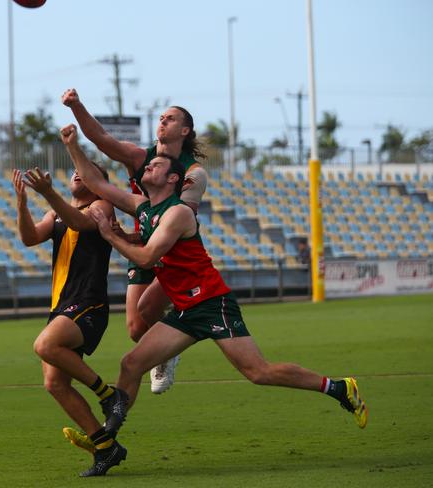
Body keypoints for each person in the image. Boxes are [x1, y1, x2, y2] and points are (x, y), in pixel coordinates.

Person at [59, 123, 368, 440]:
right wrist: (72, 145)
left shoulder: (177, 213)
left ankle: (339, 388)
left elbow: (147, 258)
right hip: (185, 310)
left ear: (172, 178)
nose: (148, 164)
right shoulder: (144, 207)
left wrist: (111, 235)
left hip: (211, 303)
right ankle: (107, 440)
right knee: (131, 364)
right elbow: (96, 182)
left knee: (258, 372)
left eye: (156, 165)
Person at [62, 88, 209, 394]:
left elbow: (180, 217)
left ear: (185, 130)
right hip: (143, 244)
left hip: (173, 249)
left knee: (146, 307)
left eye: (170, 118)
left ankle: (178, 334)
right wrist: (76, 106)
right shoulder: (141, 157)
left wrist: (139, 234)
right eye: (161, 118)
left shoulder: (193, 173)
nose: (163, 121)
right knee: (134, 328)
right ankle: (171, 347)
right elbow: (102, 139)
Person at [12, 165, 128, 477]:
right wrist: (22, 204)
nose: (77, 173)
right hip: (62, 306)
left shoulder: (101, 206)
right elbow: (29, 237)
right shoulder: (57, 214)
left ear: (97, 182)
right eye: (75, 171)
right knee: (54, 383)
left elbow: (80, 223)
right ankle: (105, 446)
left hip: (88, 302)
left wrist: (49, 193)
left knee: (44, 345)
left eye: (86, 172)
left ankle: (109, 394)